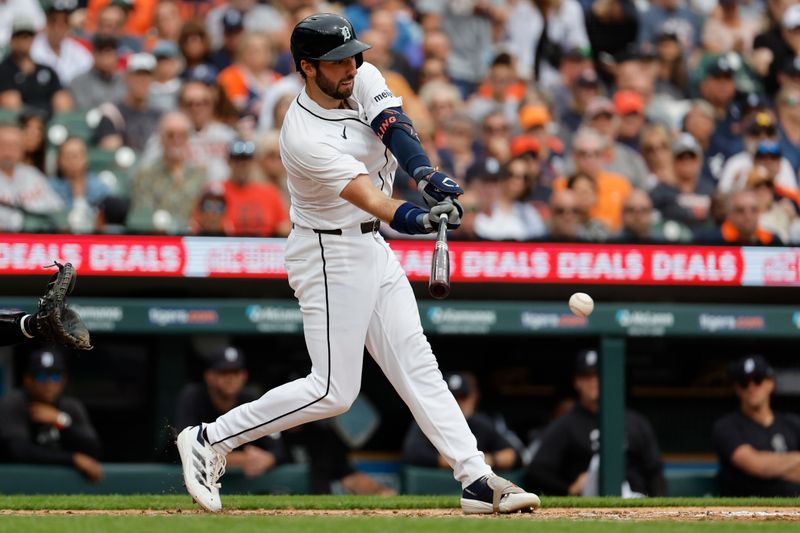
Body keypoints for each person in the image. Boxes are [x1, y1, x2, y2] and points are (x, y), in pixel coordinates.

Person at [176, 13, 540, 515]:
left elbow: (394, 125)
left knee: (417, 361)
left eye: (352, 55)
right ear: (307, 67)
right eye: (334, 61)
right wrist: (417, 214)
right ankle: (209, 438)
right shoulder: (302, 135)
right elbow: (368, 196)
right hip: (328, 251)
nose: (350, 66)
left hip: (370, 248)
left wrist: (426, 174)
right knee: (332, 391)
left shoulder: (360, 74)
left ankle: (475, 477)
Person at [526, 349, 665, 497]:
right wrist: (568, 489)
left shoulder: (636, 421)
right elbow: (537, 470)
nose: (593, 381)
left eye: (599, 375)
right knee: (597, 465)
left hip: (637, 501)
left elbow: (655, 471)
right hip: (591, 503)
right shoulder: (565, 424)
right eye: (587, 376)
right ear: (577, 382)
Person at [174, 346, 289, 480]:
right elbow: (185, 447)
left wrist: (269, 459)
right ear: (209, 376)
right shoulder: (193, 397)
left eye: (235, 372)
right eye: (223, 372)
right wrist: (242, 459)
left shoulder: (251, 399)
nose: (230, 378)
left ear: (244, 376)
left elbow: (279, 449)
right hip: (188, 478)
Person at [0, 348, 102, 482]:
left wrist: (62, 421)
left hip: (62, 484)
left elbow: (93, 450)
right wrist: (73, 459)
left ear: (63, 380)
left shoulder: (70, 407)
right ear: (27, 380)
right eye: (41, 377)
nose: (49, 384)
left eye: (55, 377)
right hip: (15, 481)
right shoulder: (13, 403)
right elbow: (19, 451)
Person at [712, 355, 800, 496]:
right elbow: (758, 466)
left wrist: (775, 468)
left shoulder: (793, 424)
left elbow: (764, 469)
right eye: (744, 383)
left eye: (758, 380)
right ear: (737, 389)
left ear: (770, 384)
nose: (751, 387)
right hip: (746, 512)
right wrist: (796, 459)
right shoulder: (726, 426)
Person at [404, 372, 521, 472]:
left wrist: (481, 461)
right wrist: (471, 463)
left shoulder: (482, 423)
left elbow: (513, 455)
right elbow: (414, 454)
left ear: (474, 397)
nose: (458, 403)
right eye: (453, 397)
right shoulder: (427, 421)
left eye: (463, 396)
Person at [128, 111, 209, 234]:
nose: (176, 140)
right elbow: (142, 216)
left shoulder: (201, 175)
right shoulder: (145, 175)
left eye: (182, 135)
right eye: (170, 135)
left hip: (194, 240)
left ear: (188, 138)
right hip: (158, 240)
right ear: (161, 138)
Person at [0, 15, 72, 117]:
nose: (24, 40)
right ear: (12, 39)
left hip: (49, 119)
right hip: (21, 123)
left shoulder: (46, 70)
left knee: (63, 99)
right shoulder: (4, 70)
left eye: (28, 36)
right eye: (20, 36)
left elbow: (61, 97)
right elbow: (10, 102)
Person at [217, 138, 291, 237]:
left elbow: (284, 228)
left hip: (264, 248)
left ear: (254, 162)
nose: (242, 164)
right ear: (228, 161)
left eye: (246, 160)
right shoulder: (216, 192)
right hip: (227, 246)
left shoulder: (270, 192)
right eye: (237, 159)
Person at [0, 123, 63, 232]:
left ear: (22, 148)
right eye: (3, 144)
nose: (8, 150)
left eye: (14, 145)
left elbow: (57, 211)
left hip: (33, 241)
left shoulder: (33, 175)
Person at [92, 52, 162, 151]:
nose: (142, 80)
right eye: (138, 75)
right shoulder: (113, 114)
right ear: (126, 77)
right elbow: (108, 152)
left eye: (147, 76)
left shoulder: (159, 116)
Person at [30, 0, 92, 86]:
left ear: (68, 26)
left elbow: (89, 69)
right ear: (47, 23)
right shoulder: (33, 48)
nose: (57, 28)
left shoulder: (76, 49)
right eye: (53, 21)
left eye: (63, 23)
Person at [694, 189, 783, 245]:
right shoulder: (708, 240)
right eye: (740, 210)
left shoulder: (772, 240)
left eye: (754, 210)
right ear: (729, 214)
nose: (748, 216)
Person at [68, 34, 126, 111]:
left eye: (110, 53)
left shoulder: (124, 81)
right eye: (102, 53)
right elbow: (82, 111)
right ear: (94, 55)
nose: (107, 59)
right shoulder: (79, 81)